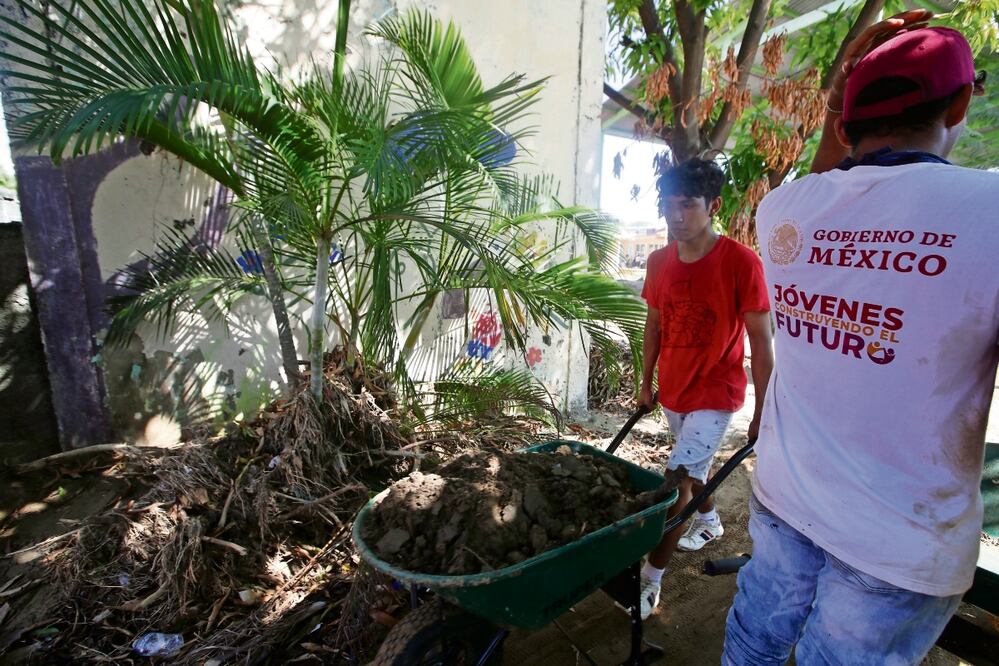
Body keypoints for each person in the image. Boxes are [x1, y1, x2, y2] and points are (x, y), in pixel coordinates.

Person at [724, 11, 998, 665]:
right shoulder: (987, 214)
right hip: (900, 543)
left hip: (785, 501)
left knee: (752, 649)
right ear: (960, 101)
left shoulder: (780, 210)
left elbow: (831, 182)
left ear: (843, 121)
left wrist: (840, 93)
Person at [635, 157, 774, 619]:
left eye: (687, 205)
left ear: (712, 205)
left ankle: (650, 581)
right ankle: (710, 523)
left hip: (716, 392)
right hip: (675, 391)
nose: (676, 215)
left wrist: (763, 409)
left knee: (678, 481)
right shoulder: (658, 261)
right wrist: (645, 382)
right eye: (668, 204)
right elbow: (653, 325)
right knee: (696, 469)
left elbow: (760, 340)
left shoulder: (740, 262)